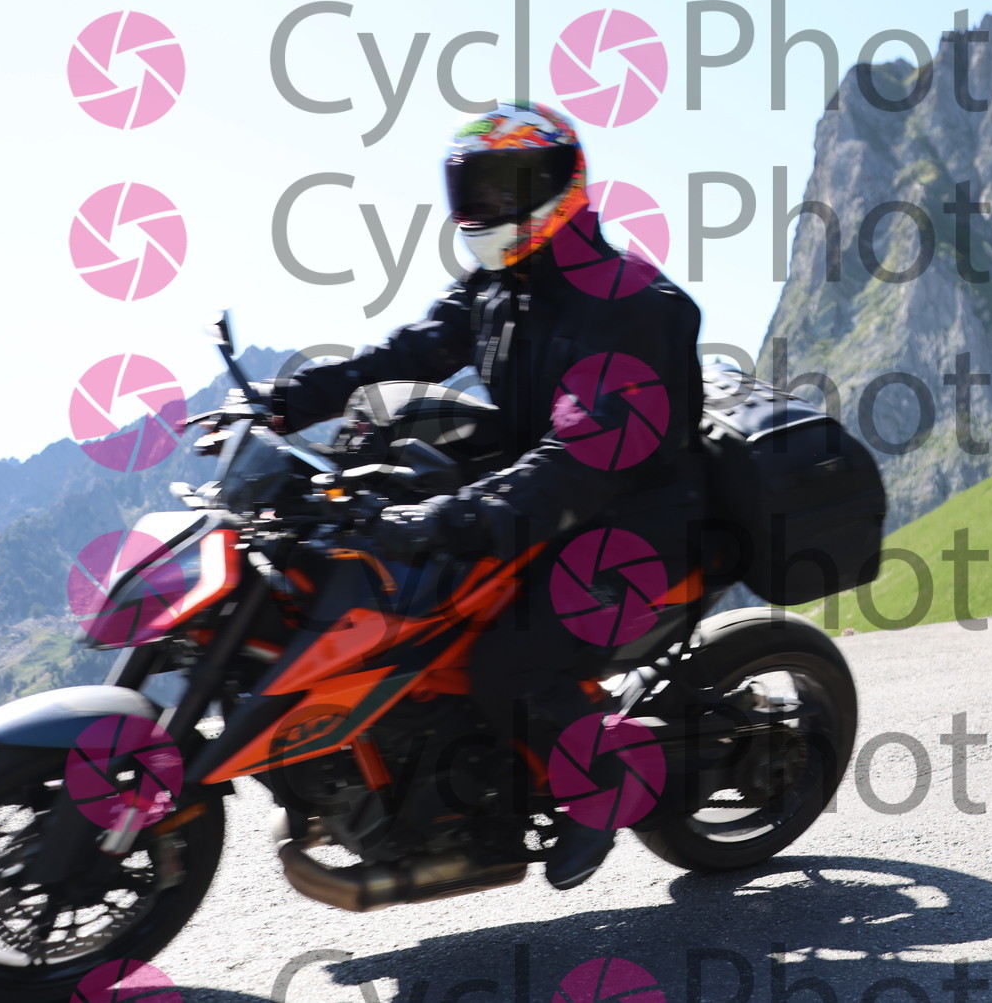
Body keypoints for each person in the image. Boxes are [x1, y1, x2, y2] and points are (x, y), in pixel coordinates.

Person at [264, 100, 704, 889]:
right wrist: (292, 398)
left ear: (559, 186)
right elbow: (410, 350)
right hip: (545, 504)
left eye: (504, 190)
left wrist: (447, 516)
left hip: (632, 524)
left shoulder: (634, 307)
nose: (485, 209)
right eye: (473, 191)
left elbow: (579, 460)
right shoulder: (501, 285)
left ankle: (601, 789)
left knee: (504, 659)